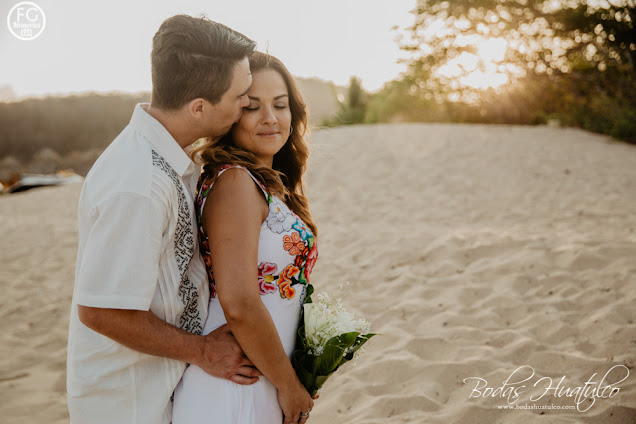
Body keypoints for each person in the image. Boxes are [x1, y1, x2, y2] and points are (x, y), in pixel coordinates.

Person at [66, 15, 262, 424]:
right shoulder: (138, 184)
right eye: (240, 94)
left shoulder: (167, 157)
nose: (248, 102)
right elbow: (101, 311)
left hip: (164, 387)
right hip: (130, 404)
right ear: (199, 107)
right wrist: (203, 351)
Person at [172, 52, 319, 424]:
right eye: (253, 107)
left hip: (262, 371)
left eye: (281, 105)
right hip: (237, 385)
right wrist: (289, 385)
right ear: (231, 114)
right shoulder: (235, 182)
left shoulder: (264, 184)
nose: (270, 118)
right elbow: (239, 302)